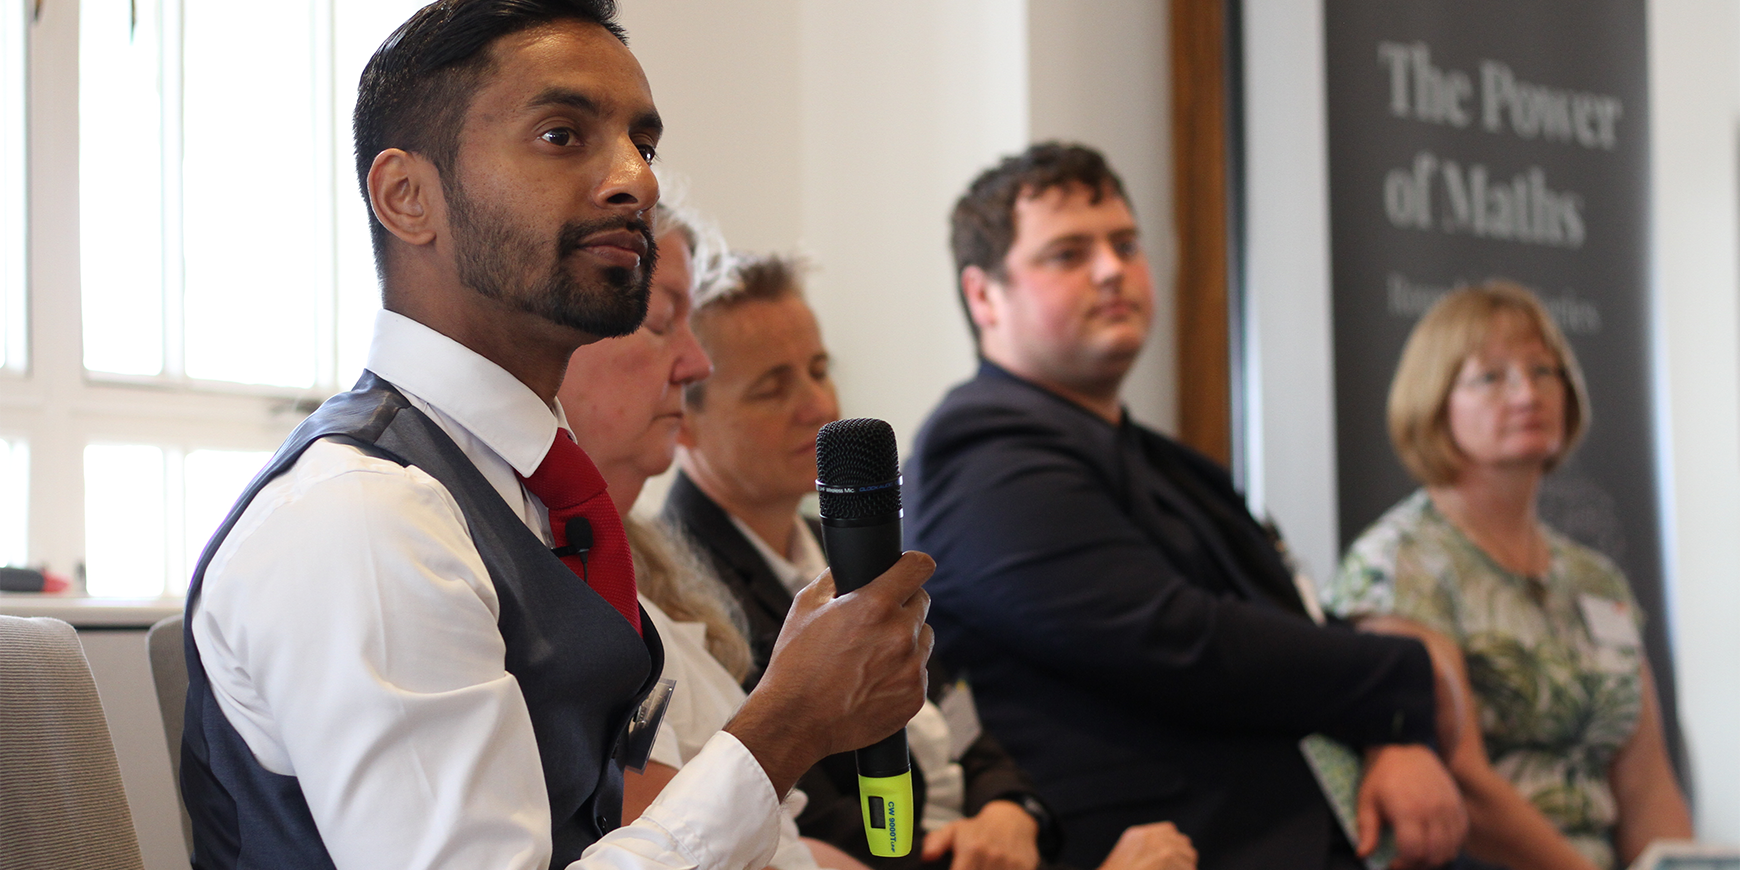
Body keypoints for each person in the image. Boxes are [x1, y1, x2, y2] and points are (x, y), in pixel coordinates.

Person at [179, 4, 935, 870]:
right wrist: (788, 722)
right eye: (561, 135)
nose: (636, 181)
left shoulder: (528, 493)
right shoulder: (367, 516)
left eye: (641, 145)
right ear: (406, 196)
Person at [903, 142, 1468, 870]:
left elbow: (1293, 618)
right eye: (1069, 253)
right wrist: (1402, 678)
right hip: (1174, 844)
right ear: (985, 295)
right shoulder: (978, 449)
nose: (1112, 269)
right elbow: (1175, 641)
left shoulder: (1171, 462)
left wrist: (1395, 736)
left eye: (1126, 244)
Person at [662, 252, 1197, 870]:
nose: (817, 404)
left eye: (818, 370)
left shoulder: (841, 541)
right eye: (772, 387)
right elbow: (806, 830)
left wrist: (1010, 807)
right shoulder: (689, 596)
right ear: (686, 420)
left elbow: (957, 714)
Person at [1322, 282, 1693, 870]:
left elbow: (1647, 785)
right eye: (1491, 377)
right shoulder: (1398, 562)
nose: (1527, 393)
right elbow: (1459, 780)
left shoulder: (1595, 579)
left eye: (1544, 371)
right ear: (1434, 400)